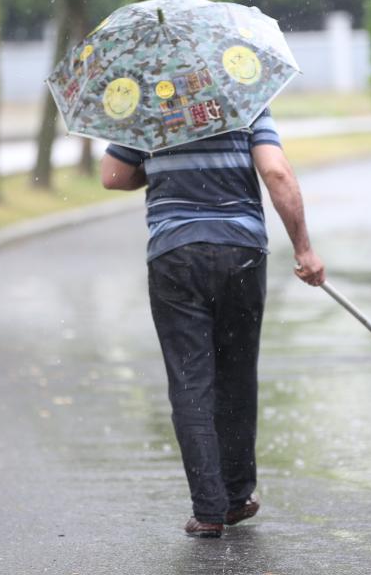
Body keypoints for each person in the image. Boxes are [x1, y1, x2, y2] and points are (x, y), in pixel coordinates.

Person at [100, 109, 326, 538]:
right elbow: (276, 172)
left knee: (190, 382)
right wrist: (304, 249)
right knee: (236, 376)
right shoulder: (245, 96)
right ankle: (237, 497)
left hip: (174, 253)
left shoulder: (145, 102)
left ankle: (208, 511)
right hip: (239, 250)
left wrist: (162, 165)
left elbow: (112, 175)